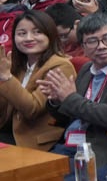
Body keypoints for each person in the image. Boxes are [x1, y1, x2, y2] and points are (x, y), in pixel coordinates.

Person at [38, 13, 107, 168]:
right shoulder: (87, 69)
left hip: (99, 150)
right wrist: (56, 101)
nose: (101, 46)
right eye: (92, 41)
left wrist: (70, 98)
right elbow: (70, 114)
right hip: (69, 144)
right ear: (83, 47)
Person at [0, 10, 76, 149]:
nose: (29, 38)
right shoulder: (16, 65)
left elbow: (32, 109)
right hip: (7, 131)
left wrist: (6, 78)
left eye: (37, 32)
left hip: (34, 139)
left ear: (50, 35)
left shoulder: (60, 65)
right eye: (22, 33)